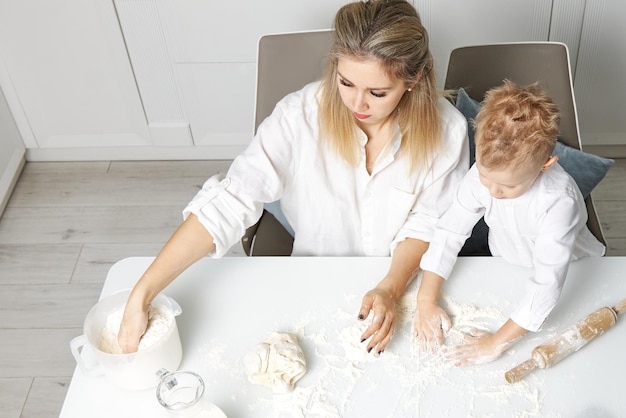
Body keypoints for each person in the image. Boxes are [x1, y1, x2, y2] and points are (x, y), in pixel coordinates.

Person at [118, 0, 469, 355]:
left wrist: (391, 289)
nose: (357, 104)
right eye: (345, 82)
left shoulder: (448, 131)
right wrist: (142, 292)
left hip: (404, 283)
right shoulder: (299, 115)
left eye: (378, 93)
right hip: (311, 277)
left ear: (414, 79)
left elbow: (426, 223)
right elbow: (231, 200)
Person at [413, 80, 606, 365]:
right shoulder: (486, 172)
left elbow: (546, 284)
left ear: (545, 165)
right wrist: (425, 299)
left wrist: (496, 341)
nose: (492, 191)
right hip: (505, 258)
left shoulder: (558, 202)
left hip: (572, 267)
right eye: (484, 176)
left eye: (509, 186)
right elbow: (449, 230)